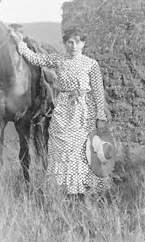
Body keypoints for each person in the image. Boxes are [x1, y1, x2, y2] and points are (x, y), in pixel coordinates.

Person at [9, 26, 112, 198]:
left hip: (83, 111)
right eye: (69, 42)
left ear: (83, 44)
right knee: (62, 147)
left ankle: (83, 189)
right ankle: (67, 190)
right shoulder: (58, 60)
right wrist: (19, 41)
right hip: (64, 111)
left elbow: (98, 92)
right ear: (64, 44)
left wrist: (100, 116)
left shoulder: (91, 64)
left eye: (77, 42)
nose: (73, 46)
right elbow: (34, 58)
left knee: (80, 148)